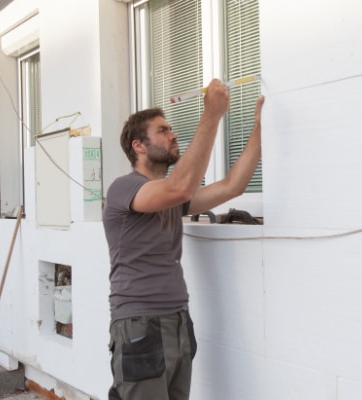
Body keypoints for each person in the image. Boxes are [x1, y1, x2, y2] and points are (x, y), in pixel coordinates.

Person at [102, 78, 264, 400]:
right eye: (163, 130)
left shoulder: (172, 200)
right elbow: (180, 187)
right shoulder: (124, 188)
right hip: (140, 325)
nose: (173, 134)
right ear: (139, 145)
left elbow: (233, 186)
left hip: (177, 320)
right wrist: (212, 115)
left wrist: (261, 127)